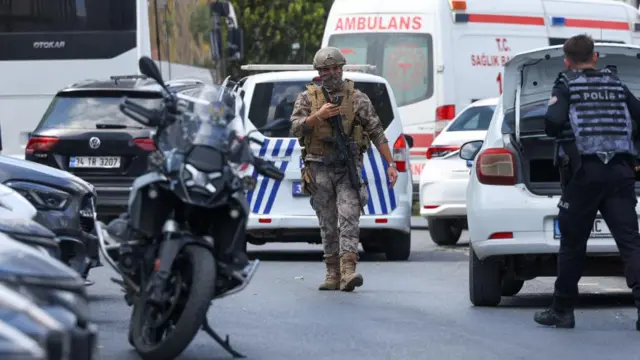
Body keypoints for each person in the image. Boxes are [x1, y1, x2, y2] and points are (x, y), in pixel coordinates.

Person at [535, 34, 640, 330]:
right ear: (595, 57)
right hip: (619, 172)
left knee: (572, 244)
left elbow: (553, 123)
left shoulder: (566, 85)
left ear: (567, 61)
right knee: (630, 243)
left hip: (583, 175)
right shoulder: (617, 85)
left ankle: (562, 310)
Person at [290, 47, 398, 292]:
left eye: (336, 68)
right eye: (326, 69)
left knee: (349, 216)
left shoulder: (357, 98)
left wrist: (390, 164)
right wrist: (317, 116)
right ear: (319, 72)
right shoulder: (307, 98)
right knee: (327, 221)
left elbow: (376, 131)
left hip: (347, 167)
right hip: (318, 168)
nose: (332, 73)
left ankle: (348, 271)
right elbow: (296, 127)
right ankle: (332, 272)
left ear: (342, 68)